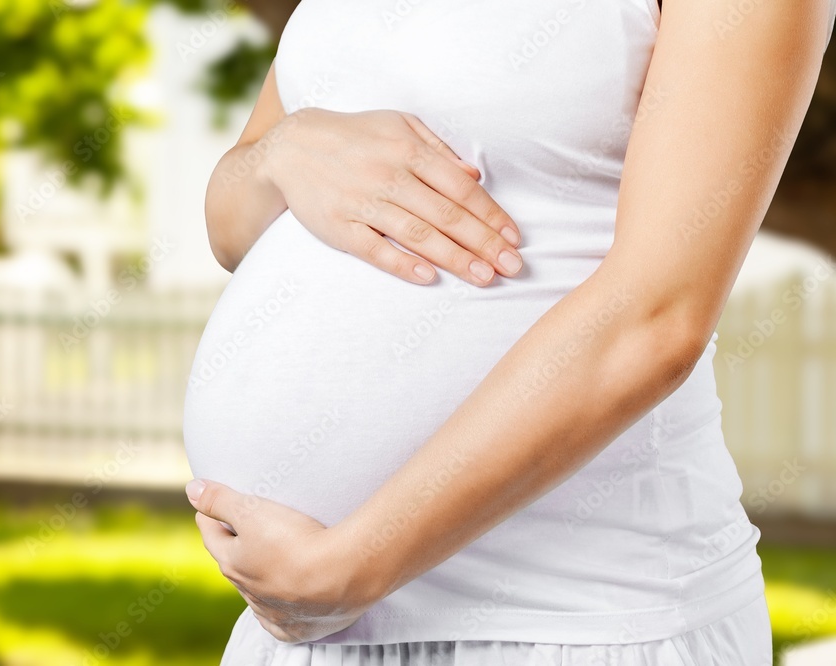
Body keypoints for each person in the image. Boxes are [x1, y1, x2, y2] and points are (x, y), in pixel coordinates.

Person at [182, 0, 836, 663]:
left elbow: (659, 316)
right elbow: (229, 226)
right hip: (309, 625)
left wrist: (350, 569)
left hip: (576, 621)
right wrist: (282, 151)